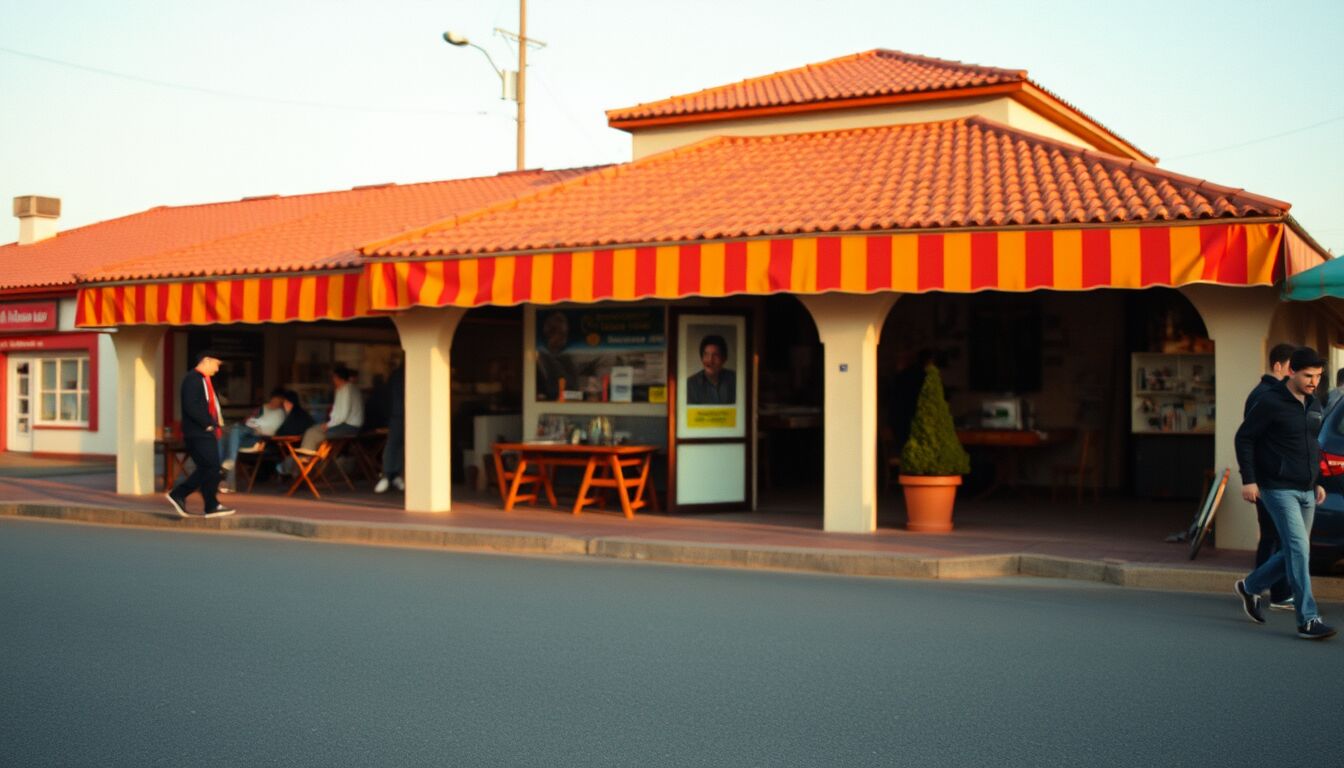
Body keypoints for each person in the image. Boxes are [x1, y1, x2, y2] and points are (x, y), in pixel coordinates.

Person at [1233, 346, 1335, 640]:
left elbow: (1311, 446)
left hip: (1306, 490)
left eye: (1317, 375)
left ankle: (1250, 587)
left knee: (1295, 549)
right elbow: (1245, 438)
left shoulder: (1314, 404)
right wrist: (1249, 480)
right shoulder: (1270, 401)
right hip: (1277, 488)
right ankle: (1308, 619)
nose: (1314, 381)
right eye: (1307, 375)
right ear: (1291, 371)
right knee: (1299, 549)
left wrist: (1317, 481)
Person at [1243, 342, 1295, 610]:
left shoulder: (1270, 393)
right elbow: (1249, 439)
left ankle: (1265, 590)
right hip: (1266, 480)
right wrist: (1251, 479)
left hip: (1268, 478)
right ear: (1278, 366)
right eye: (1292, 368)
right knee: (1275, 536)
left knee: (1273, 536)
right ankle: (1267, 590)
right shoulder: (1264, 395)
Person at [165, 350, 235, 518]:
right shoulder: (193, 379)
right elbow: (191, 405)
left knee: (208, 468)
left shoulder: (203, 380)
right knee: (211, 467)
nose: (217, 369)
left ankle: (211, 505)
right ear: (207, 360)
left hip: (204, 431)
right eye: (216, 364)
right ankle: (180, 494)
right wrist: (208, 424)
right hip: (199, 432)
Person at [218, 387, 287, 489]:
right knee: (224, 437)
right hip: (246, 435)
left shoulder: (281, 414)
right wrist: (250, 422)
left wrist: (257, 426)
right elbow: (248, 420)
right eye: (273, 400)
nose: (274, 403)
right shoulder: (262, 409)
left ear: (282, 402)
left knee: (233, 431)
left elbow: (270, 431)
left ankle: (220, 477)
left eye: (277, 401)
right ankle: (226, 477)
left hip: (258, 440)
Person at [300, 364, 364, 452]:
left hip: (349, 427)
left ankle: (307, 460)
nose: (332, 380)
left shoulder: (347, 390)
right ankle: (309, 458)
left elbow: (343, 415)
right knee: (313, 430)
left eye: (333, 377)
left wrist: (329, 425)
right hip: (345, 425)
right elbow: (337, 413)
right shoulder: (343, 389)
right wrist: (329, 423)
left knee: (313, 433)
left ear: (338, 378)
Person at [375, 362, 405, 493]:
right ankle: (387, 475)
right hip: (397, 415)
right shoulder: (397, 376)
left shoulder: (397, 375)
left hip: (405, 415)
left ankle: (395, 476)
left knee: (400, 445)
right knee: (393, 444)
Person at [535, 310, 579, 401]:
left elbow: (573, 386)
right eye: (561, 334)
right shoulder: (538, 356)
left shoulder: (566, 358)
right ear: (549, 333)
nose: (564, 339)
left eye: (565, 334)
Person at [686, 334, 736, 405]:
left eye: (715, 355)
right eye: (706, 354)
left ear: (724, 359)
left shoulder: (735, 380)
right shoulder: (691, 384)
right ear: (701, 358)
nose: (710, 360)